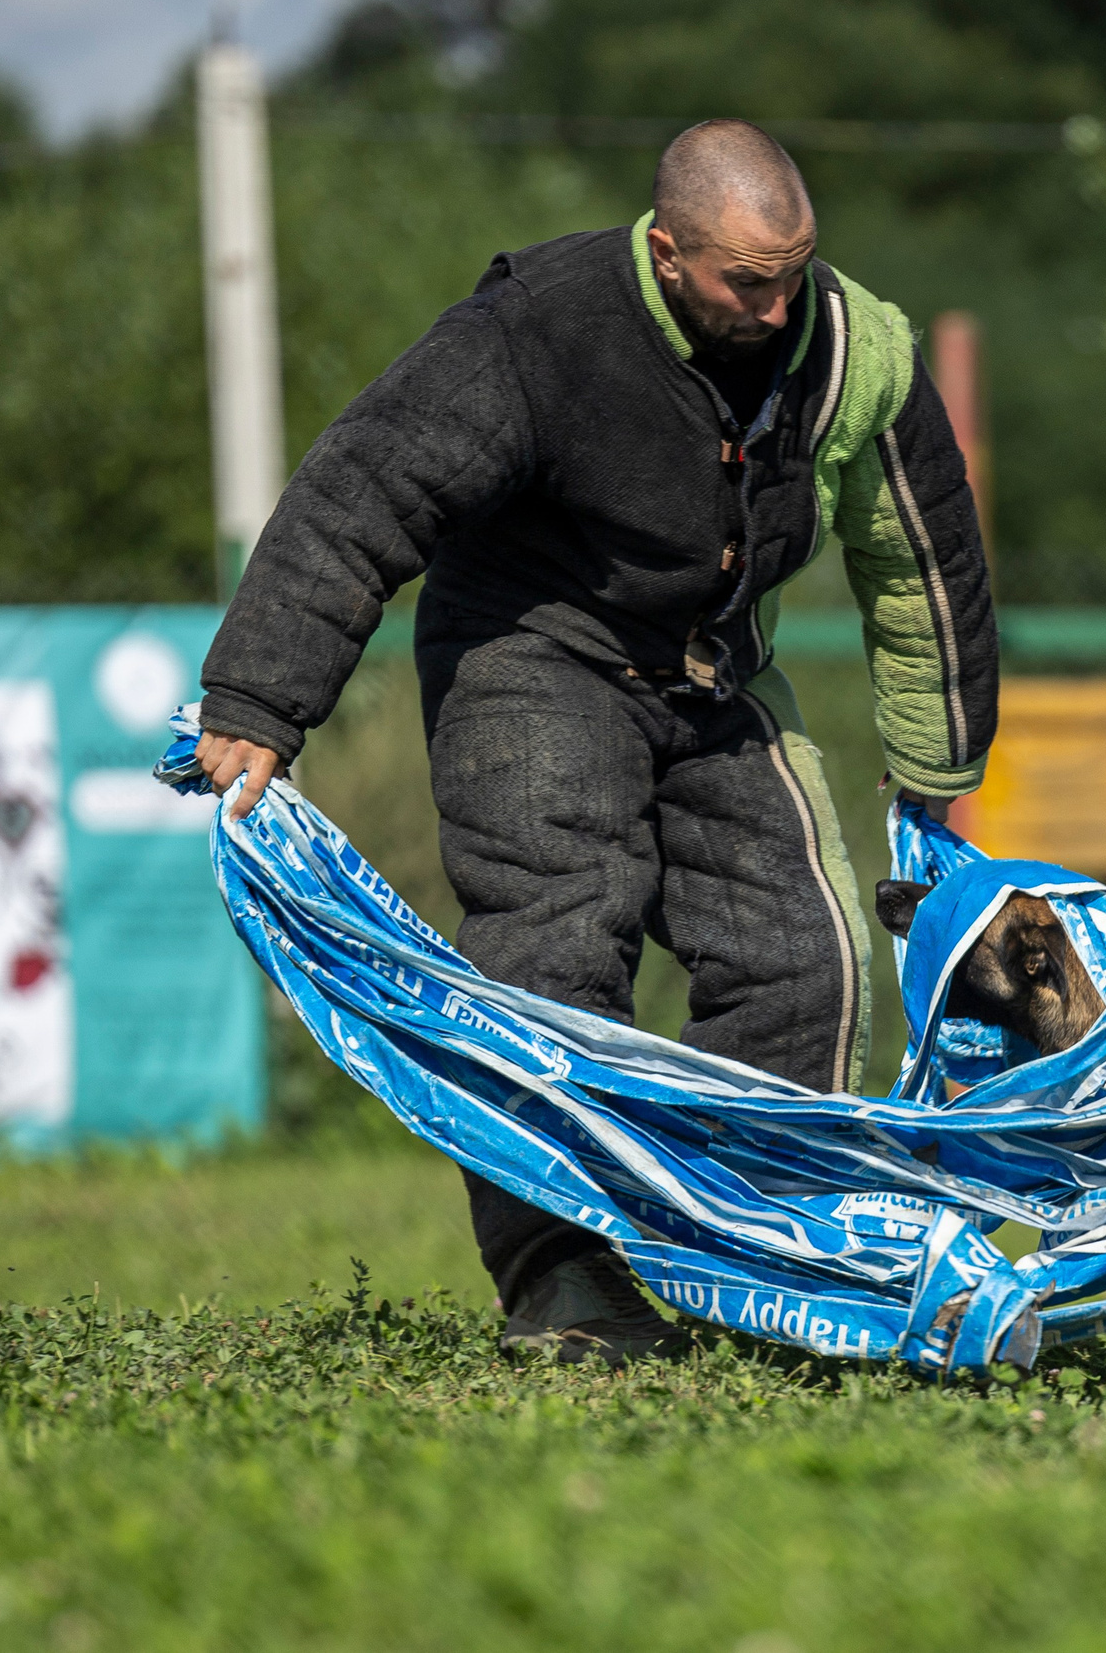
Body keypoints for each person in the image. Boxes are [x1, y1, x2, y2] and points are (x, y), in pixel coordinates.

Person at [191, 119, 998, 1364]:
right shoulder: (536, 334)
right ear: (668, 252)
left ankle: (763, 1265)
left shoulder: (856, 350)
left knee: (811, 959)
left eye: (796, 270)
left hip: (716, 670)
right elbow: (361, 498)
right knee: (555, 951)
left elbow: (923, 556)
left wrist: (936, 766)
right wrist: (257, 702)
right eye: (746, 281)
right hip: (532, 654)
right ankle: (565, 1283)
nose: (781, 307)